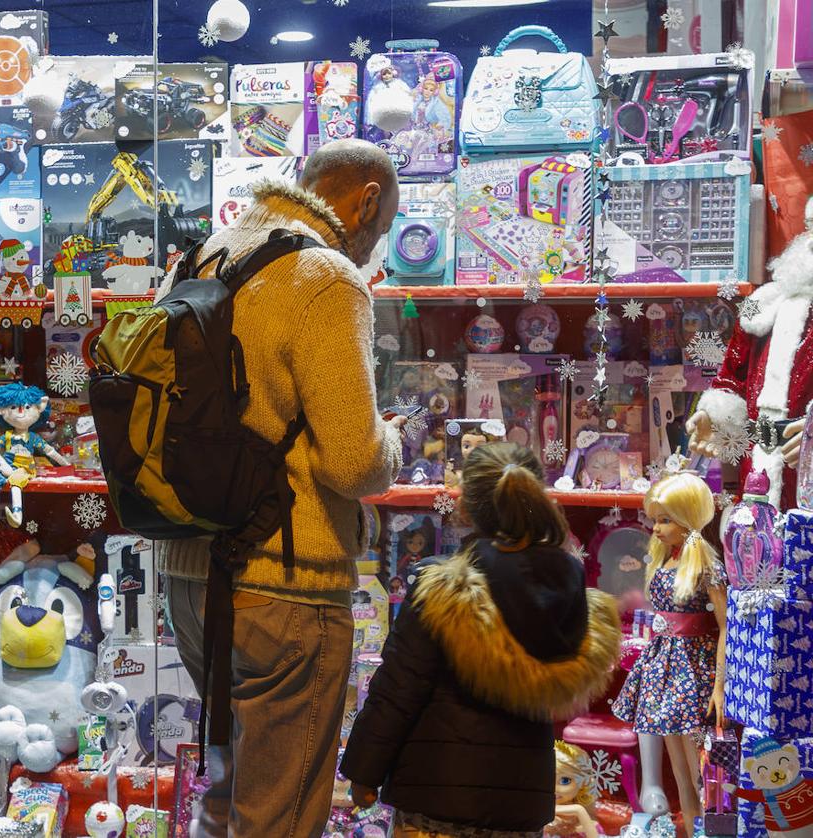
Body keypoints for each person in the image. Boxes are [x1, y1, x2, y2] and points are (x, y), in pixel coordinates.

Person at [160, 139, 405, 837]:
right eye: (381, 227)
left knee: (225, 796)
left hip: (192, 574)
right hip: (284, 582)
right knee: (280, 815)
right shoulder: (325, 276)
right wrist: (393, 438)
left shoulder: (205, 255)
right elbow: (356, 463)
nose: (373, 246)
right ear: (364, 201)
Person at [340, 443, 621, 837]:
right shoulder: (567, 588)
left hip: (435, 796)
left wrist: (363, 772)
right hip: (521, 806)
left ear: (466, 506)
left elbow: (397, 690)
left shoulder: (443, 589)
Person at [612, 472, 727, 838]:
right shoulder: (664, 560)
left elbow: (726, 626)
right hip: (664, 666)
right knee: (679, 772)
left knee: (700, 770)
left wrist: (719, 686)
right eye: (655, 519)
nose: (656, 528)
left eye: (665, 520)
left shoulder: (706, 566)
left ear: (687, 518)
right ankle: (693, 831)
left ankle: (709, 829)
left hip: (693, 670)